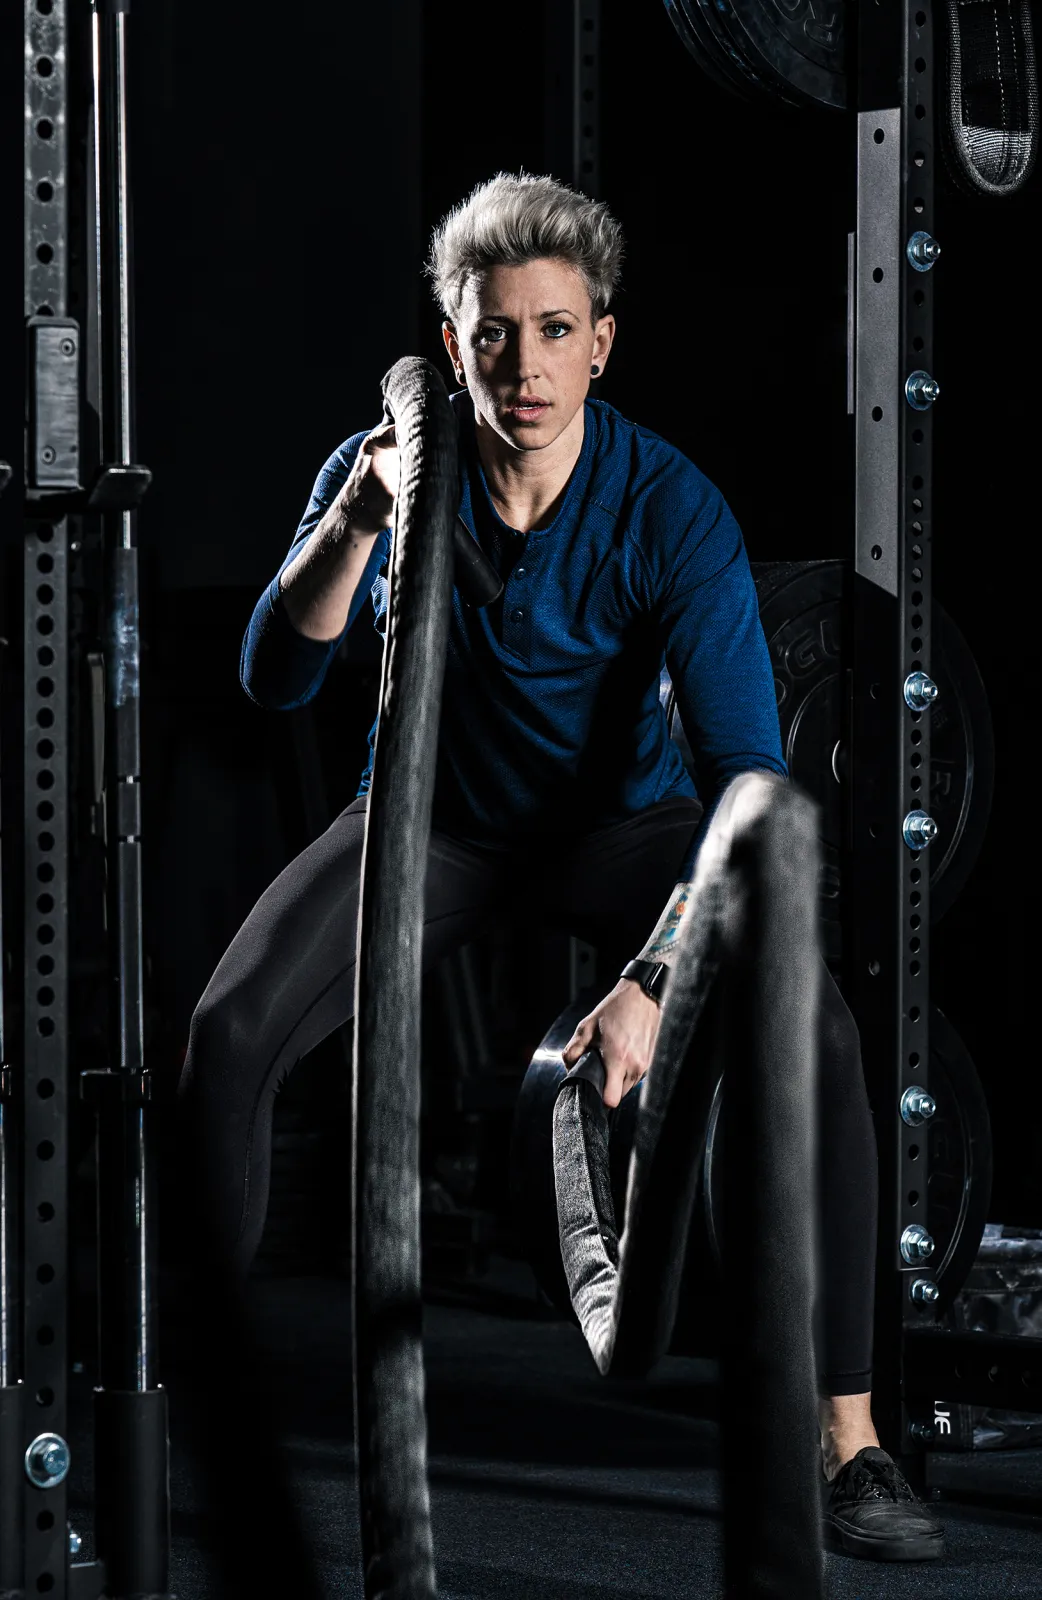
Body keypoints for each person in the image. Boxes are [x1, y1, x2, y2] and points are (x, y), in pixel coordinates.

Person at [178, 172, 943, 1562]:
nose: (522, 367)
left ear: (600, 342)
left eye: (552, 331)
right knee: (227, 1034)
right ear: (452, 340)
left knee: (817, 1030)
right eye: (493, 333)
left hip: (624, 834)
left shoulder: (667, 505)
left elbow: (748, 782)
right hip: (436, 824)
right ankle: (186, 1413)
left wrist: (658, 977)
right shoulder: (393, 468)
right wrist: (356, 518)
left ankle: (850, 1440)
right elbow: (271, 680)